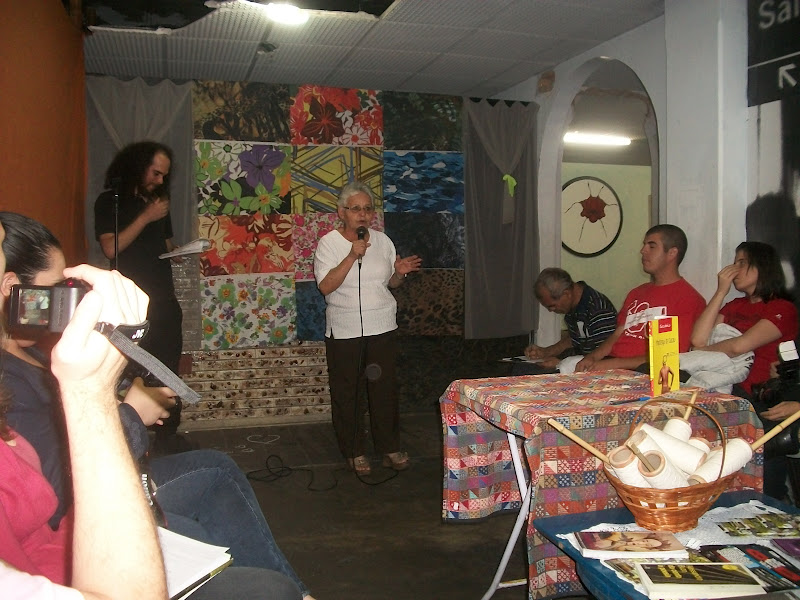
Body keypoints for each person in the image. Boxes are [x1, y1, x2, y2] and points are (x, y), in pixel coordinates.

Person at [0, 212, 315, 599]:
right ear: (12, 289)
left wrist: (118, 392)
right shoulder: (8, 378)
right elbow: (56, 488)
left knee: (216, 470)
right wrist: (128, 413)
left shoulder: (34, 352)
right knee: (258, 576)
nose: (64, 298)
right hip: (78, 518)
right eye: (54, 288)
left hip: (102, 495)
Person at [313, 181, 421, 475]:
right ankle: (354, 450)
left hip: (382, 326)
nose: (362, 215)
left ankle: (389, 447)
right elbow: (325, 286)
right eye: (356, 209)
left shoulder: (383, 242)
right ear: (341, 212)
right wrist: (351, 255)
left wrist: (399, 274)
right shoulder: (329, 243)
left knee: (384, 390)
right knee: (348, 392)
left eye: (368, 209)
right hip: (345, 330)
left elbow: (390, 284)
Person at [93, 141, 185, 452]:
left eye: (165, 176)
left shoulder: (158, 202)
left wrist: (178, 252)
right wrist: (146, 216)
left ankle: (169, 435)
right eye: (155, 173)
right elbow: (111, 248)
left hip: (164, 300)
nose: (160, 181)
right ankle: (130, 435)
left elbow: (165, 243)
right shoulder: (111, 202)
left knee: (168, 368)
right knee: (130, 370)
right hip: (129, 305)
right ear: (137, 166)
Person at [689, 241, 798, 499]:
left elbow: (740, 346)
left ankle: (773, 502)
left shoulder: (782, 308)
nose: (734, 268)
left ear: (762, 266)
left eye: (742, 262)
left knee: (764, 476)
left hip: (761, 397)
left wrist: (701, 353)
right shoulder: (734, 306)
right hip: (728, 391)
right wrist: (720, 292)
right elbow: (697, 340)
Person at [576, 224, 706, 372]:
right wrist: (592, 358)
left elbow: (672, 355)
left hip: (646, 372)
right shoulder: (636, 293)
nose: (643, 251)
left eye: (652, 246)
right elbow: (617, 334)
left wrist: (613, 364)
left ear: (672, 253)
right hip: (612, 364)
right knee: (568, 366)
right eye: (644, 245)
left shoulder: (689, 299)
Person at [521, 268, 617, 372]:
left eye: (552, 306)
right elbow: (574, 338)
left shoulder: (598, 309)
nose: (550, 310)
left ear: (566, 294)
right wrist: (546, 352)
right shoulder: (575, 305)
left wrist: (561, 363)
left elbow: (605, 356)